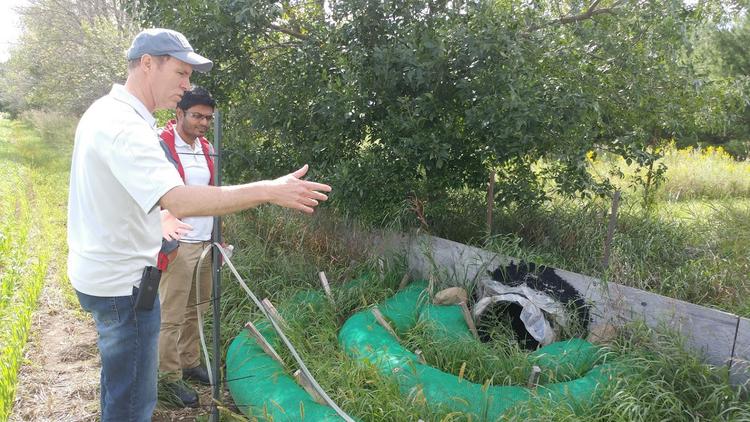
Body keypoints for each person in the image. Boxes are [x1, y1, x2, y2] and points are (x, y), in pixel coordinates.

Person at [67, 28, 331, 422]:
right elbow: (178, 198)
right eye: (181, 73)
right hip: (124, 286)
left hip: (105, 274)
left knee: (120, 382)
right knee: (132, 402)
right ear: (148, 63)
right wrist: (269, 190)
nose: (187, 85)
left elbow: (130, 193)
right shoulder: (126, 127)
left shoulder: (106, 112)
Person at [157, 86, 218, 407]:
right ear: (179, 113)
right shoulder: (162, 146)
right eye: (197, 116)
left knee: (197, 309)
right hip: (179, 245)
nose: (203, 123)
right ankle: (168, 378)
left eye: (208, 118)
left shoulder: (207, 148)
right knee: (171, 314)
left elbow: (212, 194)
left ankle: (189, 361)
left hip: (206, 243)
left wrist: (218, 237)